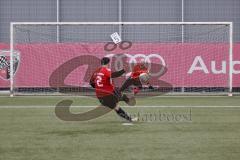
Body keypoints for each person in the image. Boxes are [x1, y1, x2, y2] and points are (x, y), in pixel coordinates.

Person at [90, 57, 137, 122]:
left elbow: (91, 83)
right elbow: (114, 75)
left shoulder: (96, 71)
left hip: (102, 94)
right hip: (106, 95)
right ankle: (130, 119)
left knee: (120, 96)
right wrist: (123, 70)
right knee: (116, 107)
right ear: (108, 63)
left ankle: (127, 100)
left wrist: (99, 88)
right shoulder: (106, 70)